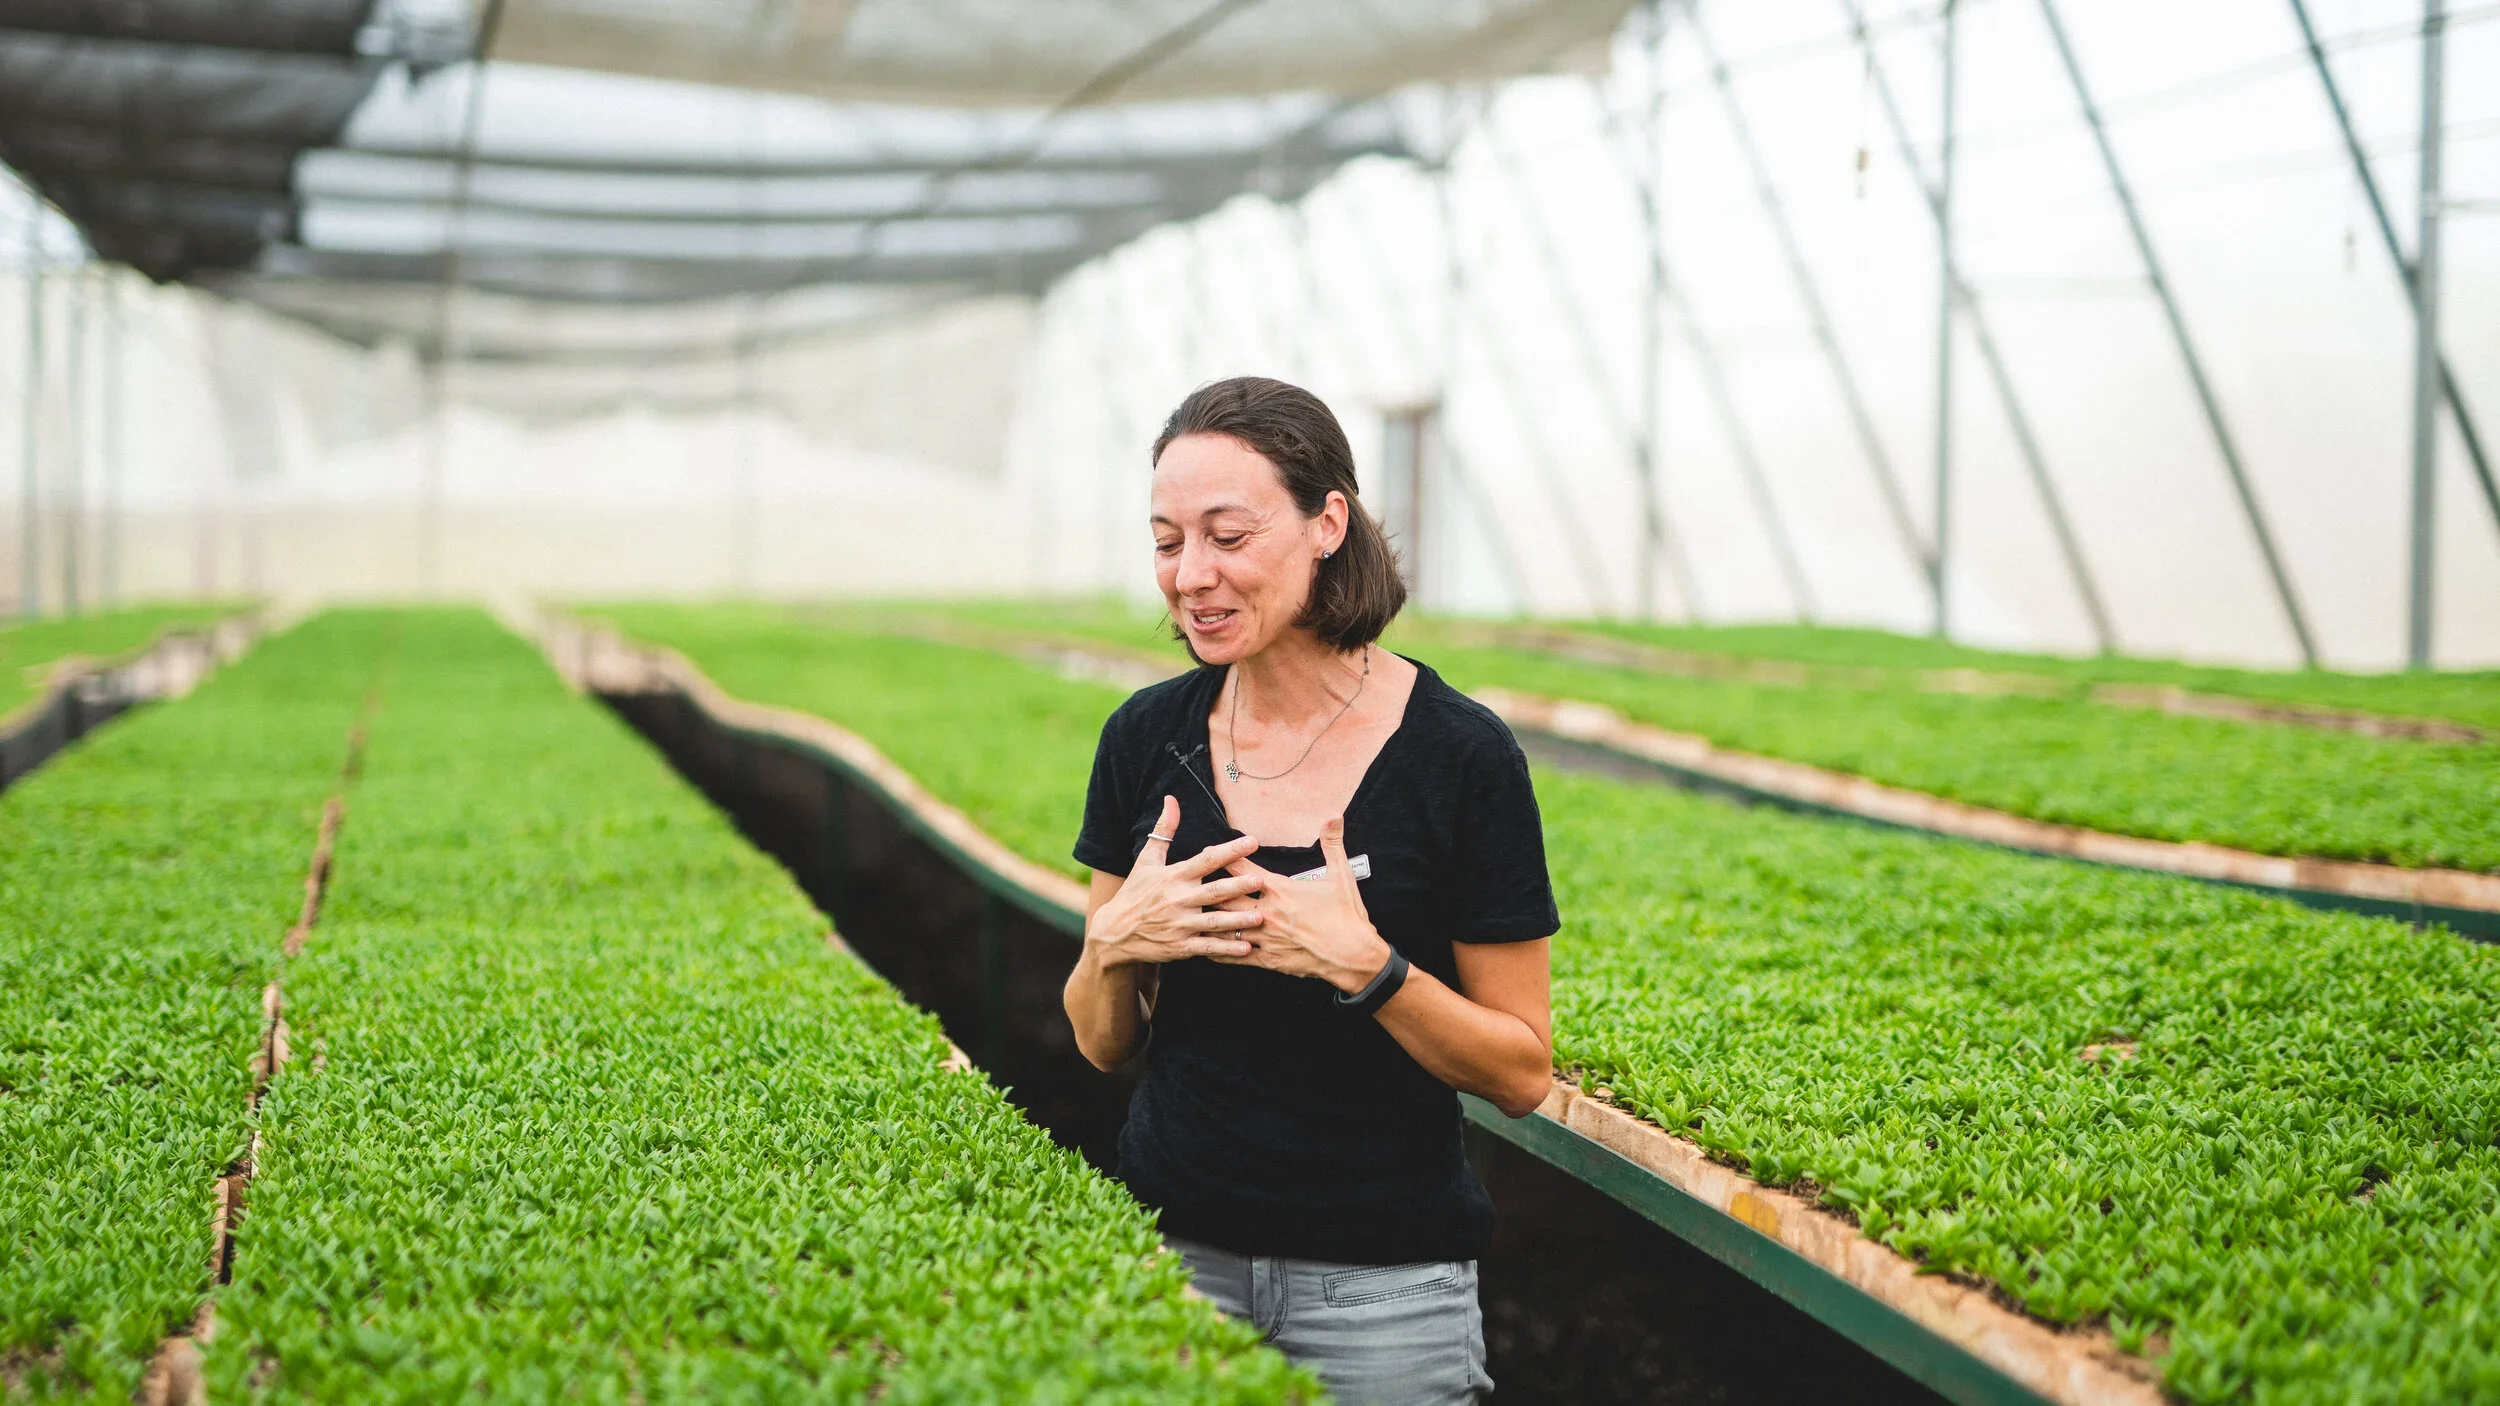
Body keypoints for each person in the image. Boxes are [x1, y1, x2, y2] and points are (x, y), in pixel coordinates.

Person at [1064, 376, 1559, 1406]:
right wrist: (1116, 943)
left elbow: (1520, 1069)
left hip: (1384, 1292)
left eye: (1227, 536)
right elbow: (1102, 1040)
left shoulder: (1458, 757)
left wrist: (1367, 966)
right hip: (1171, 1261)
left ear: (1327, 521)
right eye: (1166, 542)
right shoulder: (1142, 739)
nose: (1190, 575)